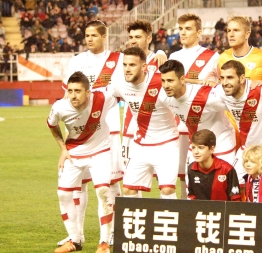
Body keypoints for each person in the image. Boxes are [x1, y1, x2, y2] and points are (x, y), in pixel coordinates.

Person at [58, 20, 123, 247]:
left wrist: (161, 52)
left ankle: (110, 234)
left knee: (108, 185)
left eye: (94, 35)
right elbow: (68, 96)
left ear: (104, 36)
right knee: (79, 186)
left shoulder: (117, 60)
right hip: (79, 133)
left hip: (109, 128)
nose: (89, 39)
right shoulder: (76, 61)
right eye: (86, 35)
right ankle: (77, 236)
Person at [48, 72, 116, 253]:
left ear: (88, 92)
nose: (72, 95)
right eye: (70, 91)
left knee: (103, 191)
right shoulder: (60, 107)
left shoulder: (103, 98)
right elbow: (51, 125)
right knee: (63, 194)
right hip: (74, 154)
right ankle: (75, 240)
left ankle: (104, 243)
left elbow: (126, 89)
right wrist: (63, 148)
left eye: (77, 91)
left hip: (100, 152)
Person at [108, 47, 179, 200]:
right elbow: (101, 97)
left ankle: (168, 222)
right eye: (125, 65)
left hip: (167, 143)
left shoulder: (161, 82)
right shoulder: (119, 83)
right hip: (141, 144)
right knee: (128, 190)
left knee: (167, 190)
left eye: (132, 65)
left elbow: (183, 88)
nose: (127, 69)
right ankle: (134, 224)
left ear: (144, 67)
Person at [168, 13, 221, 199]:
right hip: (179, 122)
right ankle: (185, 210)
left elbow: (218, 86)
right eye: (180, 29)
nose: (183, 33)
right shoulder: (173, 56)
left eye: (188, 29)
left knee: (207, 169)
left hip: (203, 122)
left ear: (199, 32)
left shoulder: (212, 57)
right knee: (183, 172)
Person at [217, 60, 262, 188]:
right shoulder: (220, 92)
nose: (225, 83)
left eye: (230, 77)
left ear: (242, 78)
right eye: (222, 78)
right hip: (248, 151)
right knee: (232, 187)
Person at [159, 59, 236, 166]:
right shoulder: (165, 97)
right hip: (196, 147)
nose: (166, 85)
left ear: (182, 80)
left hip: (220, 146)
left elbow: (237, 96)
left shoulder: (207, 96)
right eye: (163, 81)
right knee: (191, 182)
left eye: (170, 81)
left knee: (223, 182)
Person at [122, 19, 167, 200]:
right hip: (130, 130)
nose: (133, 40)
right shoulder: (124, 61)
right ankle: (138, 218)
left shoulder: (160, 61)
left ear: (149, 38)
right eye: (131, 37)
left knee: (164, 182)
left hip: (158, 132)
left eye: (138, 37)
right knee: (132, 181)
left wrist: (163, 53)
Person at [187, 129, 241, 201]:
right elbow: (192, 196)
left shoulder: (227, 169)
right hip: (200, 211)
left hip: (222, 211)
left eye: (200, 148)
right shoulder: (191, 169)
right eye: (193, 147)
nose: (195, 152)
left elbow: (235, 200)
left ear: (212, 149)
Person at [218, 16, 262, 83]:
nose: (231, 34)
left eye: (236, 30)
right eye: (229, 31)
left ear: (247, 34)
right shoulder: (223, 57)